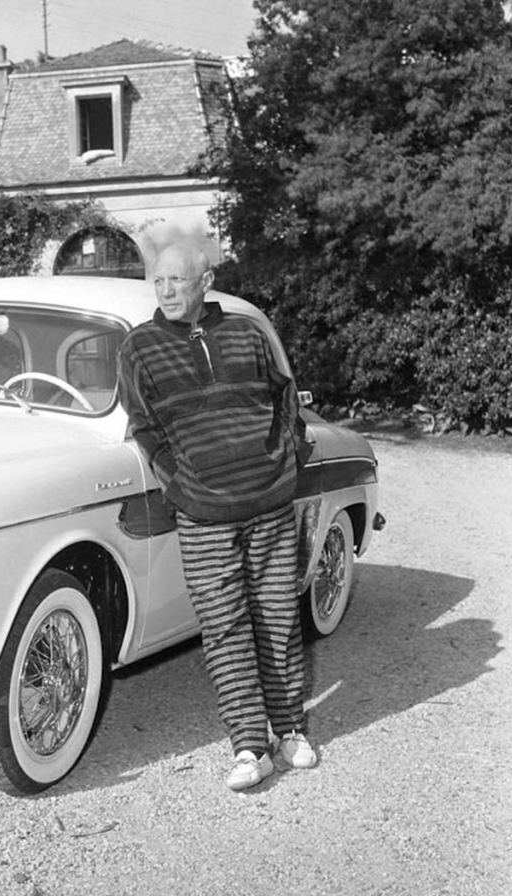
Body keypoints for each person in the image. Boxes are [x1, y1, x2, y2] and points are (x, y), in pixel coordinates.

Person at [116, 242, 317, 792]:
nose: (166, 291)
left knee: (277, 615)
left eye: (177, 280)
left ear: (206, 280)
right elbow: (144, 426)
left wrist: (286, 464)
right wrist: (179, 485)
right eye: (158, 281)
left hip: (269, 502)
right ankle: (250, 747)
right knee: (224, 625)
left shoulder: (249, 334)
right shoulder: (139, 347)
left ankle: (292, 730)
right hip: (203, 511)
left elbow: (286, 400)